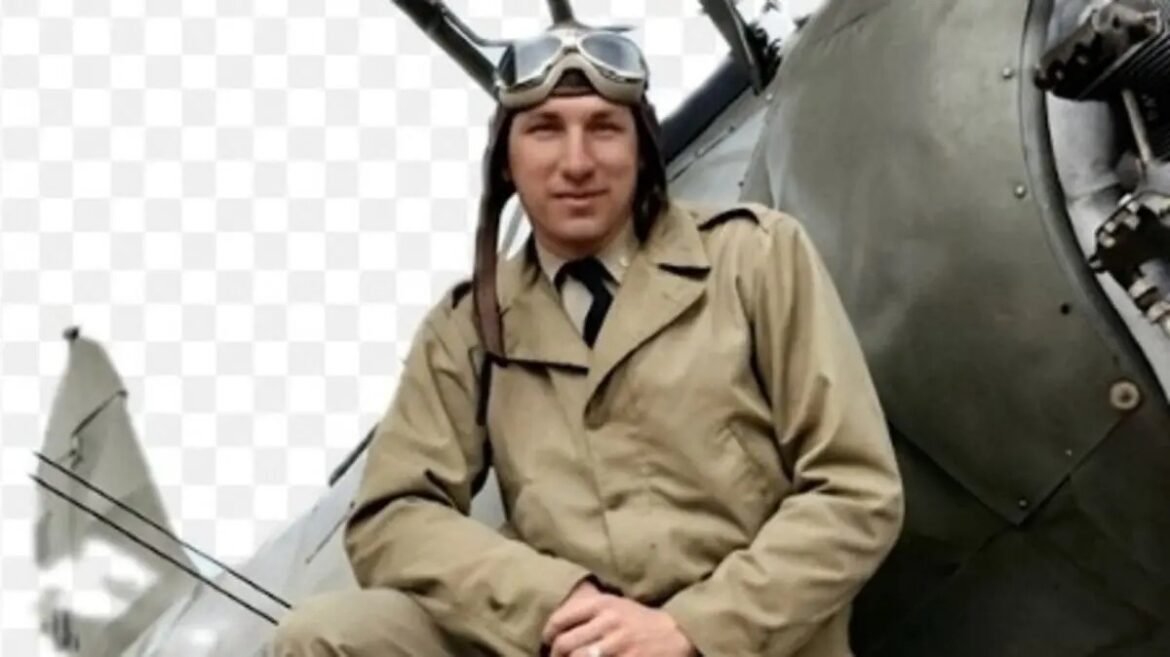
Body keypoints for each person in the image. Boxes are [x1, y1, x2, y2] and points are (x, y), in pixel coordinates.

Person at [273, 20, 903, 657]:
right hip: (566, 642)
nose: (576, 163)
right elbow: (393, 515)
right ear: (507, 161)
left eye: (604, 128)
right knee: (325, 638)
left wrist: (691, 629)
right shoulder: (468, 327)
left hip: (744, 640)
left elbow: (855, 489)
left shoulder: (755, 257)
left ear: (641, 150)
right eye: (545, 129)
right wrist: (557, 603)